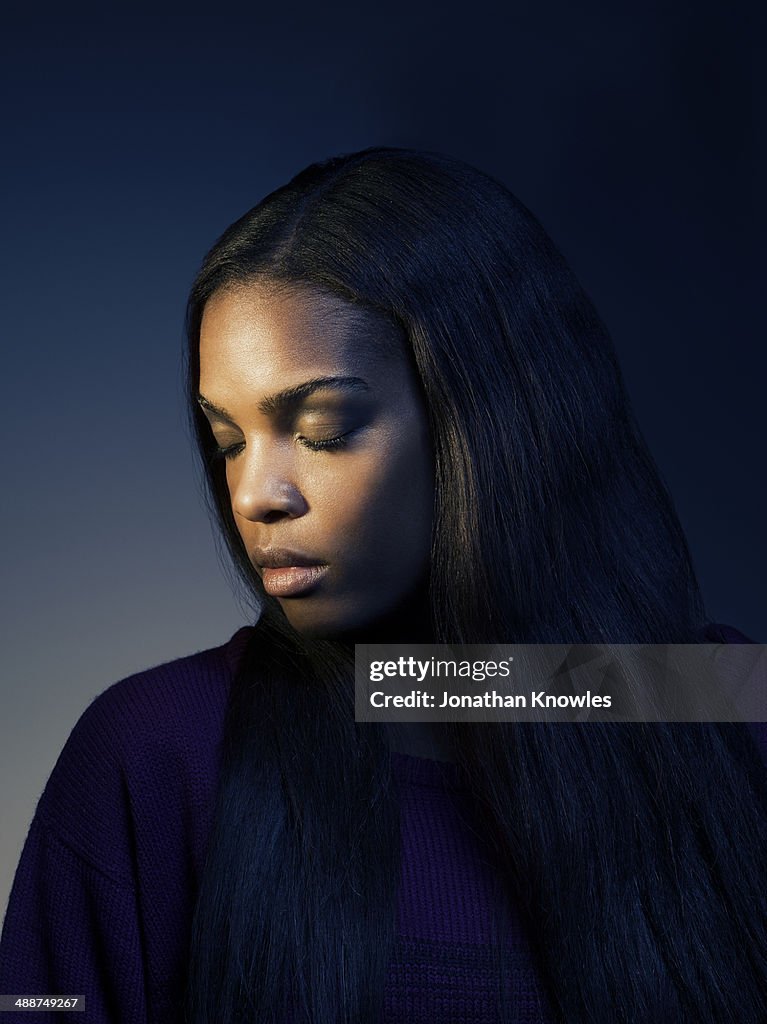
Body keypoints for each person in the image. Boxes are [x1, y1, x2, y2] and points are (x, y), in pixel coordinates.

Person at [0, 147, 765, 1023]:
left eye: (322, 429)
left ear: (490, 419)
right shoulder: (154, 752)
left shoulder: (720, 706)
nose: (255, 494)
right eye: (227, 439)